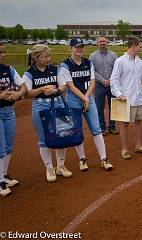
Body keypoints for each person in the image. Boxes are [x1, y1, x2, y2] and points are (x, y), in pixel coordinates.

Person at [58, 38, 113, 171]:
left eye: (82, 46)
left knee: (96, 128)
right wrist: (84, 98)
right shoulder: (65, 65)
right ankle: (82, 159)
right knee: (77, 130)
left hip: (88, 97)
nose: (80, 49)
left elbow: (93, 81)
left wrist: (87, 98)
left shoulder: (88, 62)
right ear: (71, 48)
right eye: (77, 46)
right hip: (73, 100)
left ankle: (104, 159)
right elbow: (70, 86)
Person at [23, 44, 72, 182]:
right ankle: (49, 168)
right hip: (40, 104)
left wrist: (55, 91)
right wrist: (42, 89)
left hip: (57, 102)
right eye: (45, 56)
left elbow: (63, 86)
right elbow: (26, 93)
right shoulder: (29, 72)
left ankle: (61, 166)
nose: (48, 59)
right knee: (43, 138)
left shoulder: (55, 69)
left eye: (48, 56)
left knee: (62, 134)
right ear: (35, 57)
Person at [0, 42, 27, 196]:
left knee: (9, 145)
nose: (3, 55)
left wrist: (18, 93)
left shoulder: (9, 70)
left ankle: (4, 175)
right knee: (1, 147)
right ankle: (0, 182)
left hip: (9, 110)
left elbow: (23, 86)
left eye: (4, 52)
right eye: (0, 52)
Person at [89, 36, 119, 136]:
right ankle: (102, 128)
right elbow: (92, 71)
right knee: (99, 107)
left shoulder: (113, 55)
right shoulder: (93, 56)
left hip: (112, 84)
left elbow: (117, 69)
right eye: (100, 41)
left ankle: (112, 127)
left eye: (104, 41)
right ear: (97, 43)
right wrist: (102, 80)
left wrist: (110, 80)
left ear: (107, 42)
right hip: (99, 85)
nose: (102, 43)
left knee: (113, 106)